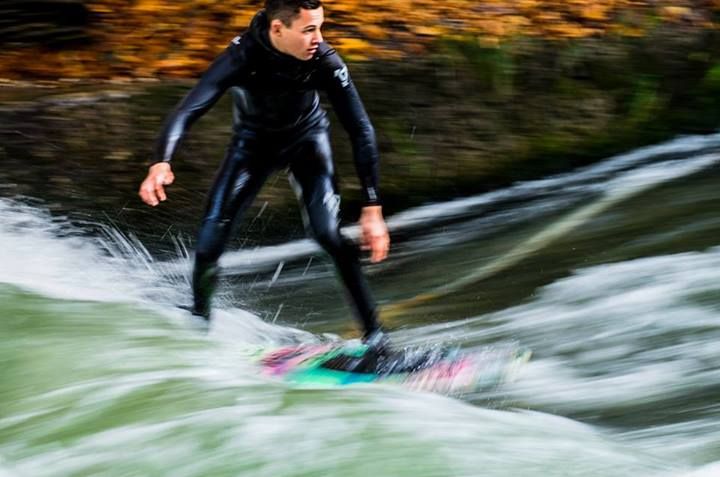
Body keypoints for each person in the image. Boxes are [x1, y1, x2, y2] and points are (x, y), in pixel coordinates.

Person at [139, 0, 390, 346]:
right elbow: (189, 108)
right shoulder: (241, 57)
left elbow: (360, 129)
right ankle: (199, 322)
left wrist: (372, 207)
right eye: (308, 30)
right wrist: (161, 161)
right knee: (209, 242)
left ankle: (376, 338)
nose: (319, 38)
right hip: (252, 147)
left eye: (321, 27)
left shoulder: (325, 61)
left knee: (327, 234)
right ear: (278, 30)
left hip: (307, 143)